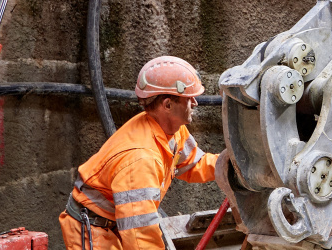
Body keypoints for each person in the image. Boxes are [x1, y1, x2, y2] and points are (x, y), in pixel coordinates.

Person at [59, 56, 218, 250]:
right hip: (95, 230)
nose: (195, 102)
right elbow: (140, 239)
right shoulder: (140, 158)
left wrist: (231, 167)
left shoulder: (171, 130)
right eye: (188, 98)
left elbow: (194, 164)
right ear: (167, 105)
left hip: (116, 224)